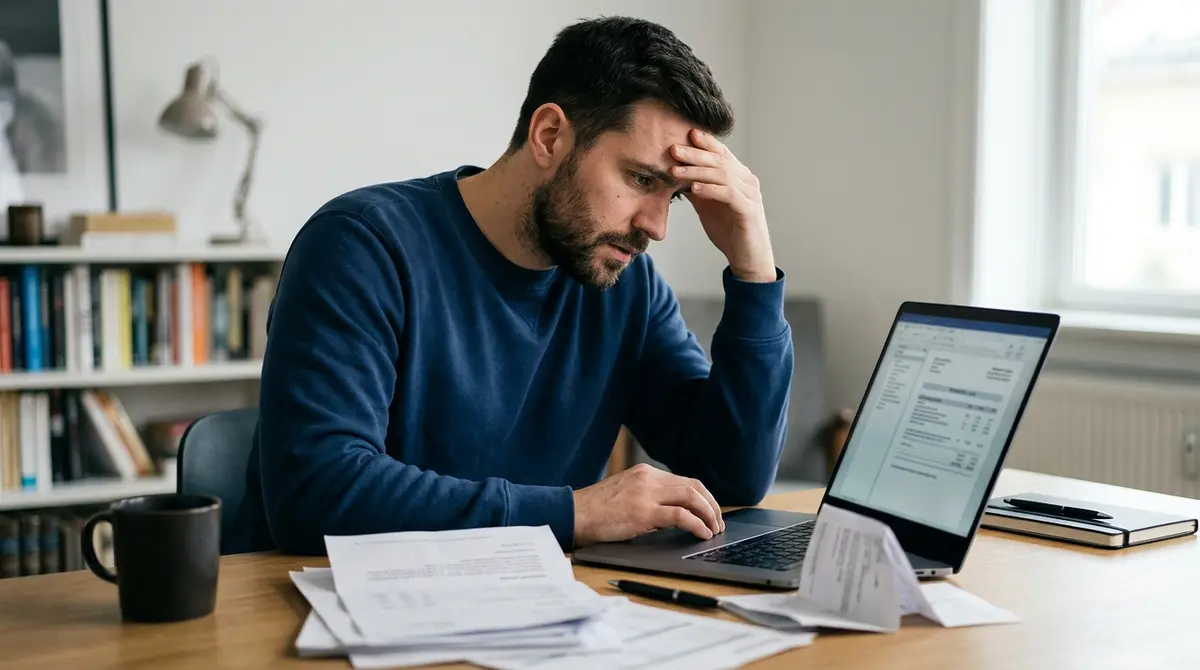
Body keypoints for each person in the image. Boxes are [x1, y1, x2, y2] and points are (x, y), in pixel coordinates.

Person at [231, 15, 794, 555]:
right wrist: (576, 514)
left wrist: (754, 270)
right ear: (549, 135)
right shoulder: (362, 246)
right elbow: (317, 492)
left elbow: (731, 477)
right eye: (640, 179)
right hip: (320, 615)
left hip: (532, 613)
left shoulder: (625, 283)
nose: (656, 226)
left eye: (670, 196)